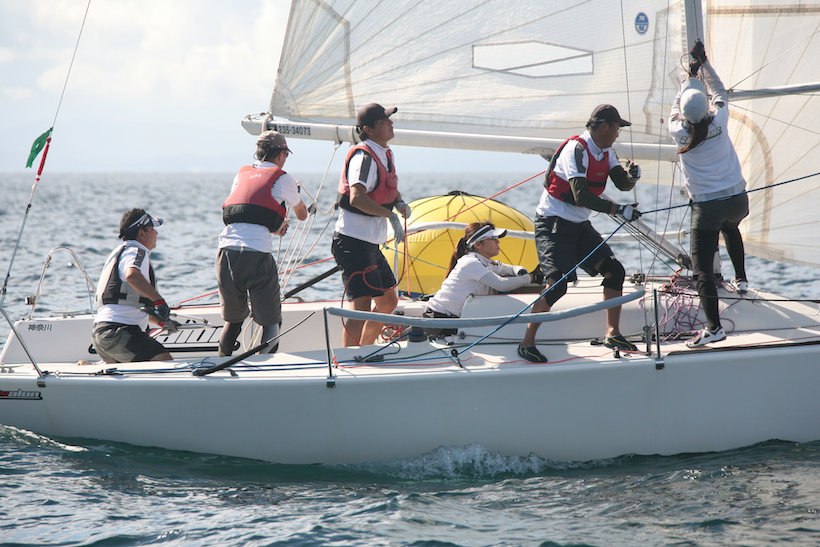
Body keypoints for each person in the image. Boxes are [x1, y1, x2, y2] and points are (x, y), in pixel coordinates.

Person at [519, 104, 643, 363]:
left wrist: (632, 177)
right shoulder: (576, 150)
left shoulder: (607, 152)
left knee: (615, 270)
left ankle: (612, 333)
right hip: (553, 224)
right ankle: (526, 343)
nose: (618, 133)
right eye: (617, 128)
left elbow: (621, 184)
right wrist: (618, 210)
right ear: (604, 127)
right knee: (557, 284)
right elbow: (581, 196)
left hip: (578, 225)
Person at [669, 40, 749, 348]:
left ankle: (714, 328)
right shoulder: (719, 119)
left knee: (701, 270)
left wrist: (687, 80)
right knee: (731, 227)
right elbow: (719, 91)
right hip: (738, 201)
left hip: (707, 209)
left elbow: (676, 109)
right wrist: (703, 65)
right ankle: (741, 279)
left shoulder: (679, 132)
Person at [216, 130, 308, 356]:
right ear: (280, 155)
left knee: (233, 321)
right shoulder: (283, 178)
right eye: (286, 155)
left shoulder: (240, 176)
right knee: (271, 322)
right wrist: (295, 197)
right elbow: (302, 214)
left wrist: (274, 226)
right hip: (257, 256)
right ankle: (264, 367)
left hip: (226, 253)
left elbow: (247, 213)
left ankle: (220, 365)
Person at [332, 103, 411, 347]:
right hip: (352, 242)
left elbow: (388, 186)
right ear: (368, 129)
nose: (391, 123)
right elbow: (357, 197)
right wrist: (390, 217)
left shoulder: (385, 153)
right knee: (361, 307)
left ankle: (364, 349)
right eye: (384, 121)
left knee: (388, 302)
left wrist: (399, 202)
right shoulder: (363, 157)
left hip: (370, 244)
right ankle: (349, 359)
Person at [423, 222, 542, 338]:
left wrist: (520, 271)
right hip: (440, 320)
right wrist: (531, 278)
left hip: (454, 319)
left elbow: (510, 269)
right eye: (493, 238)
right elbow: (501, 284)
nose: (498, 242)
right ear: (478, 244)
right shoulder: (470, 262)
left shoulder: (485, 262)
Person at [92, 208, 174, 363]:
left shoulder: (119, 252)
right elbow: (132, 275)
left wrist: (161, 322)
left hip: (102, 334)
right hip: (120, 331)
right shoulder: (136, 251)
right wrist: (159, 301)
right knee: (164, 360)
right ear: (142, 234)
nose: (156, 233)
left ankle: (89, 366)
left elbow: (129, 305)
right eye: (152, 229)